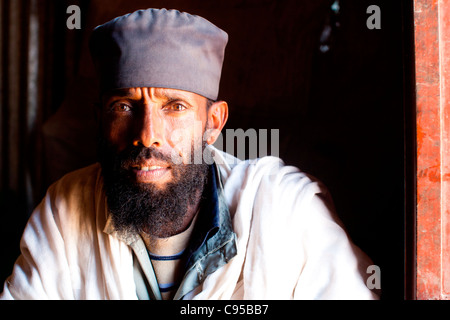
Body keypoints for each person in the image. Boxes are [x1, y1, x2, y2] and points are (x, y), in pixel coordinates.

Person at [0, 8, 378, 300]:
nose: (147, 136)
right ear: (100, 119)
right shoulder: (63, 212)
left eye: (175, 107)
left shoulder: (285, 212)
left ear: (213, 122)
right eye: (124, 107)